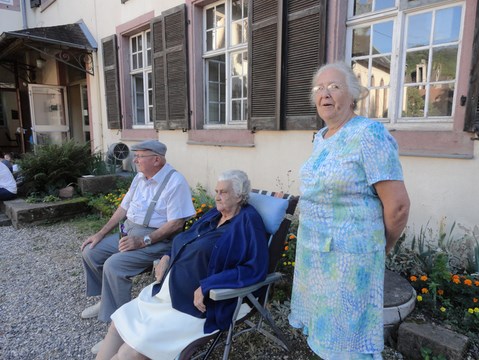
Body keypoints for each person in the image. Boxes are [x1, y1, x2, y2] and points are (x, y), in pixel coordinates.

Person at [288, 62, 410, 359]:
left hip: (349, 261)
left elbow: (398, 207)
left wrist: (384, 245)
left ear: (353, 96)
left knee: (350, 342)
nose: (325, 94)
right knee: (325, 335)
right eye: (319, 88)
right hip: (315, 255)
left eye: (334, 86)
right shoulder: (321, 138)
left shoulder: (369, 134)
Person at [95, 169, 268, 360]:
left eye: (223, 192)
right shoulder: (213, 215)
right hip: (166, 293)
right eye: (216, 191)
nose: (217, 197)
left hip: (193, 307)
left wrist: (208, 285)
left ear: (239, 195)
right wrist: (167, 257)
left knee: (131, 352)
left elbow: (253, 269)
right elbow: (186, 240)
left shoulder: (248, 223)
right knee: (118, 324)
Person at [80, 140, 196, 332]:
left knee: (114, 265)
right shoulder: (140, 178)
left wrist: (143, 241)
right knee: (91, 251)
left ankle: (119, 329)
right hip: (129, 232)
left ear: (156, 160)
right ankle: (107, 299)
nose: (135, 160)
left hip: (158, 240)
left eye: (140, 156)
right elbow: (123, 208)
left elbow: (177, 223)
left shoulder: (176, 182)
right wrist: (100, 234)